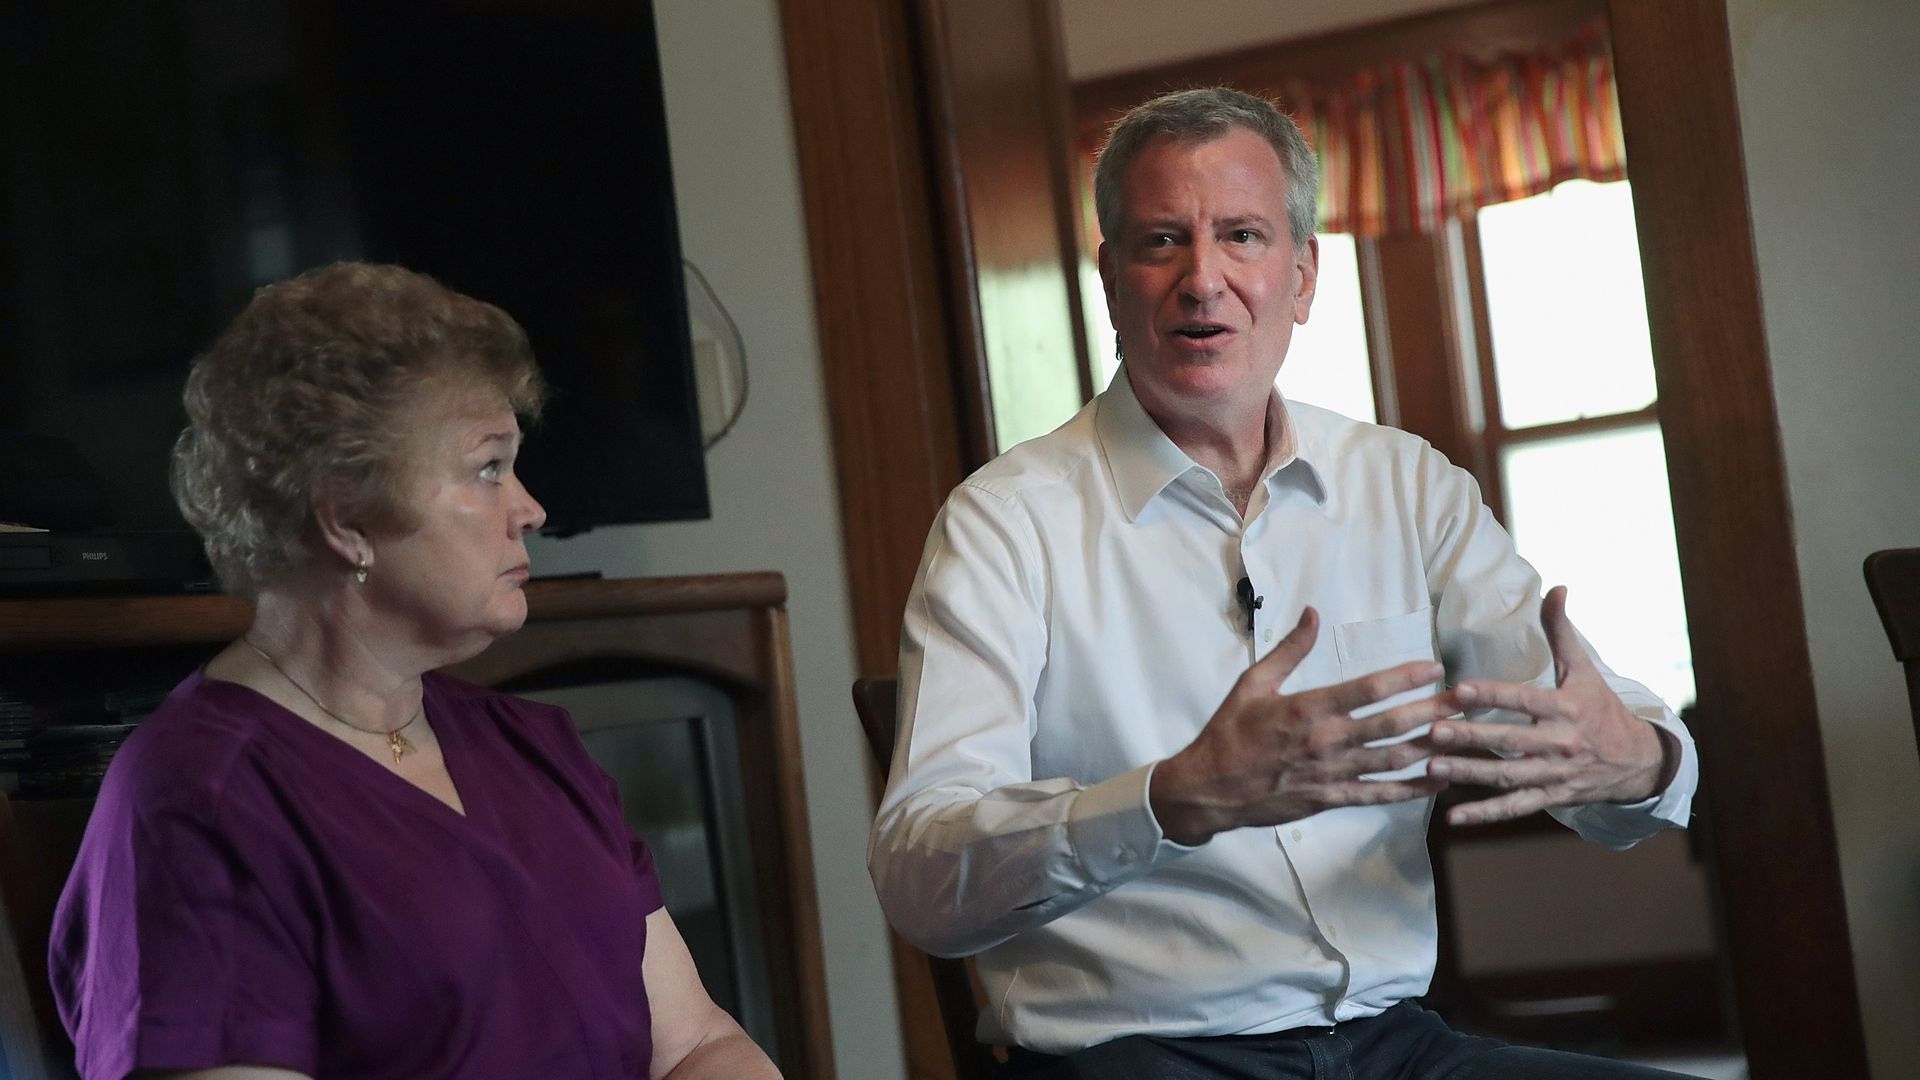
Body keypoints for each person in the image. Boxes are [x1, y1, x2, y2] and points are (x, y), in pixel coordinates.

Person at [869, 87, 1700, 1079]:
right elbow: (919, 875)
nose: (1203, 279)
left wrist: (1640, 759)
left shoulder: (1406, 485)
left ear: (1303, 277)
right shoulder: (1005, 524)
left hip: (1398, 1046)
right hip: (1139, 1055)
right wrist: (1165, 802)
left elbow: (1593, 737)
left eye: (1244, 237)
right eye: (1163, 241)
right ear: (1111, 280)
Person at [49, 263, 780, 1080]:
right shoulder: (200, 799)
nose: (529, 507)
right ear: (348, 516)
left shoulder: (534, 744)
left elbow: (696, 1042)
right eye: (488, 468)